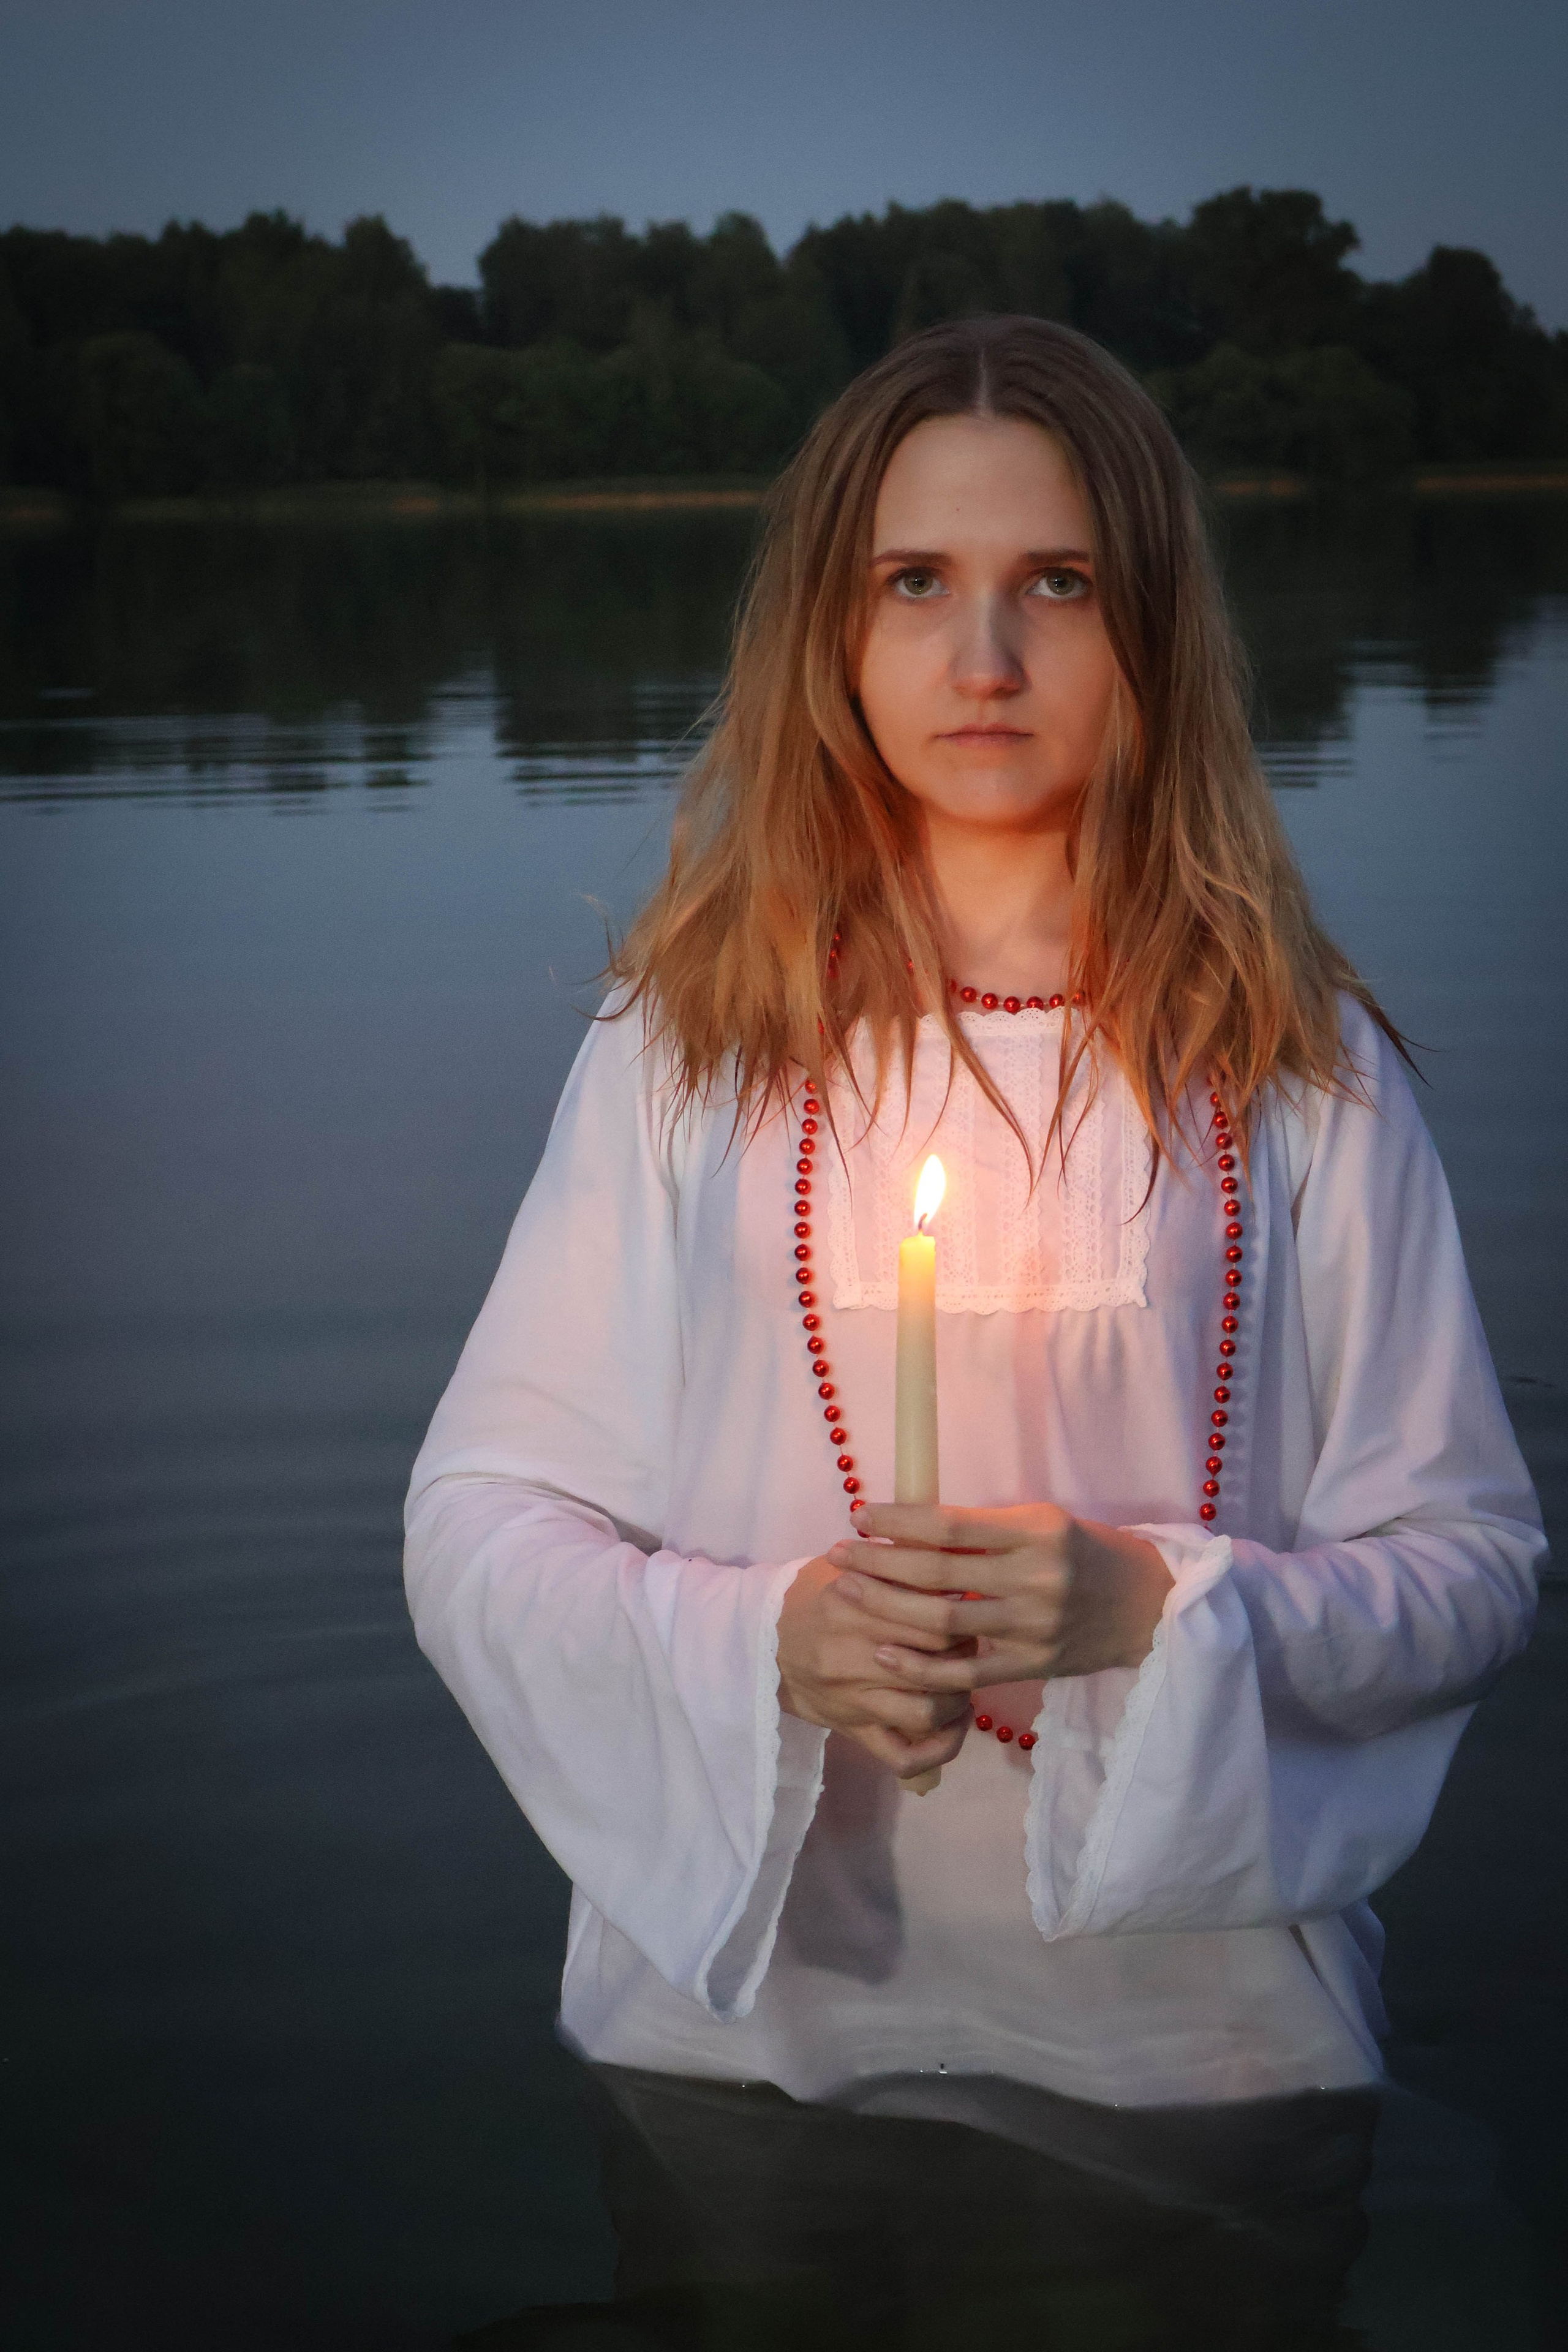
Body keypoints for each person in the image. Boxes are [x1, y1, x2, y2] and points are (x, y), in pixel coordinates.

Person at [406, 317, 1543, 2351]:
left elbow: (1470, 1572)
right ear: (831, 635)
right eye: (916, 583)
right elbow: (477, 1525)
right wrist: (773, 1640)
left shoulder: (1300, 1070)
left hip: (1201, 2073)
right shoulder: (686, 1050)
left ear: (1155, 629)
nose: (986, 657)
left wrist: (1154, 1612)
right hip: (738, 2047)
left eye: (1061, 585)